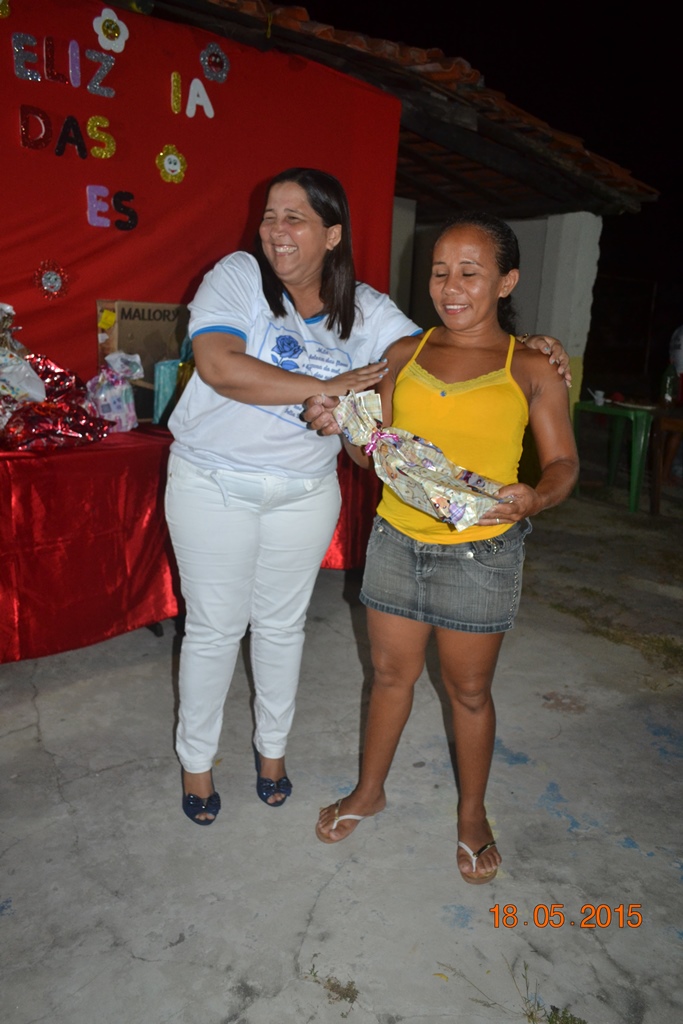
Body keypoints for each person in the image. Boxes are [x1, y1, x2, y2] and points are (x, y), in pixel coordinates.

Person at [165, 168, 570, 826]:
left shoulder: (370, 311)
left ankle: (272, 755)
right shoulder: (238, 276)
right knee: (214, 629)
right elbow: (218, 366)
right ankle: (197, 764)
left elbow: (453, 340)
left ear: (332, 234)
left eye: (295, 218)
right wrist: (330, 387)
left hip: (303, 490)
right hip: (214, 479)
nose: (277, 230)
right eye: (270, 215)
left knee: (281, 629)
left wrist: (534, 348)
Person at [305, 210, 579, 883]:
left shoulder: (531, 366)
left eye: (469, 273)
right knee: (390, 677)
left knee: (468, 692)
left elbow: (564, 463)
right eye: (438, 272)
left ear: (506, 281)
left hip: (481, 556)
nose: (450, 287)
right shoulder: (405, 354)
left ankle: (471, 815)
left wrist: (536, 496)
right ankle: (370, 791)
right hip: (397, 540)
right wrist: (338, 423)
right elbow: (376, 458)